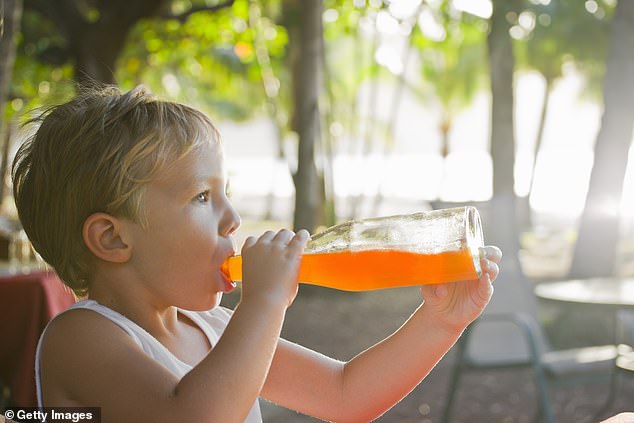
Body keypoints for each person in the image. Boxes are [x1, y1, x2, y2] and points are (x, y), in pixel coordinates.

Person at [12, 85, 501, 423]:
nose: (232, 219)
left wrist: (439, 322)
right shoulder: (81, 337)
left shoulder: (213, 328)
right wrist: (263, 304)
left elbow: (346, 394)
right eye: (202, 198)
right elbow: (193, 417)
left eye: (225, 194)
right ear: (113, 240)